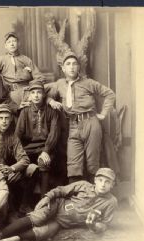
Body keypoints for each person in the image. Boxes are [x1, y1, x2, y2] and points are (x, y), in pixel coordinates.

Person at [0, 167, 118, 241]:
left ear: (112, 185)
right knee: (39, 219)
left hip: (62, 222)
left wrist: (94, 225)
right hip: (57, 206)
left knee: (41, 234)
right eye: (100, 180)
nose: (103, 184)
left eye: (107, 182)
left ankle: (12, 225)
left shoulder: (111, 202)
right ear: (95, 180)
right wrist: (47, 197)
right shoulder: (84, 185)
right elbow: (61, 190)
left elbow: (105, 225)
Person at [45, 50, 115, 182]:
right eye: (68, 64)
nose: (71, 67)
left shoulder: (88, 83)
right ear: (63, 68)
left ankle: (94, 197)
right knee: (73, 166)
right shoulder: (59, 84)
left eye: (74, 64)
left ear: (78, 67)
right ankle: (76, 199)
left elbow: (110, 94)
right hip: (73, 126)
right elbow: (43, 92)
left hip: (91, 124)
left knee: (92, 163)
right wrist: (51, 101)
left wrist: (104, 113)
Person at [15, 80, 60, 207]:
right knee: (27, 166)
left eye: (39, 92)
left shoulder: (51, 111)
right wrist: (20, 154)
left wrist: (46, 151)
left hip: (46, 148)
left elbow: (54, 134)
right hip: (28, 149)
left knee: (43, 162)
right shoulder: (25, 112)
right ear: (29, 95)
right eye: (33, 92)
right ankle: (24, 205)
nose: (36, 95)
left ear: (44, 95)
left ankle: (43, 203)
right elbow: (18, 135)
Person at [0, 103, 30, 211]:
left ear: (11, 119)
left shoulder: (13, 137)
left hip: (6, 171)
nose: (4, 121)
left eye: (7, 118)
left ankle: (23, 206)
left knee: (32, 169)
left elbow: (25, 159)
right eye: (1, 118)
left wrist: (11, 168)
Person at [0, 32, 45, 111]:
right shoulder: (2, 59)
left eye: (14, 41)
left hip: (26, 91)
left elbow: (39, 77)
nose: (12, 44)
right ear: (5, 46)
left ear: (18, 43)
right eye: (9, 42)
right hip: (11, 94)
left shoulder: (26, 59)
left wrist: (33, 89)